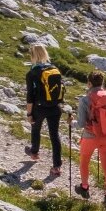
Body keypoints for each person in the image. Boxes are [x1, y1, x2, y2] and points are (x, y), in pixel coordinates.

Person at [77, 72, 106, 206]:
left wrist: (71, 121)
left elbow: (81, 123)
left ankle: (84, 187)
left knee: (84, 162)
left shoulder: (85, 100)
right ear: (102, 83)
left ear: (89, 83)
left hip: (90, 137)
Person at [23, 42, 63, 181]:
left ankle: (34, 153)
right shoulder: (54, 69)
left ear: (33, 56)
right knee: (54, 135)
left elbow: (30, 96)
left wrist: (29, 114)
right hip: (55, 108)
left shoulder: (32, 73)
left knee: (36, 128)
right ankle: (57, 166)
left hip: (39, 107)